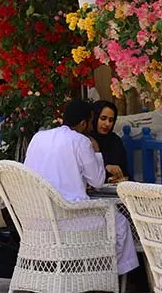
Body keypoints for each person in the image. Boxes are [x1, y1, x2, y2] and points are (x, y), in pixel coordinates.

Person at [23, 99, 139, 277]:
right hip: (68, 218)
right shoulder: (81, 141)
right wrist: (97, 151)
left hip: (35, 218)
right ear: (84, 123)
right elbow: (98, 181)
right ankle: (109, 277)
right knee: (120, 222)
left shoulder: (39, 137)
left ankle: (95, 272)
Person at [91, 100, 129, 183]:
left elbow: (125, 172)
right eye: (103, 118)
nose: (107, 124)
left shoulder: (115, 141)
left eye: (111, 120)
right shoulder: (85, 140)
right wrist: (106, 167)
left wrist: (119, 177)